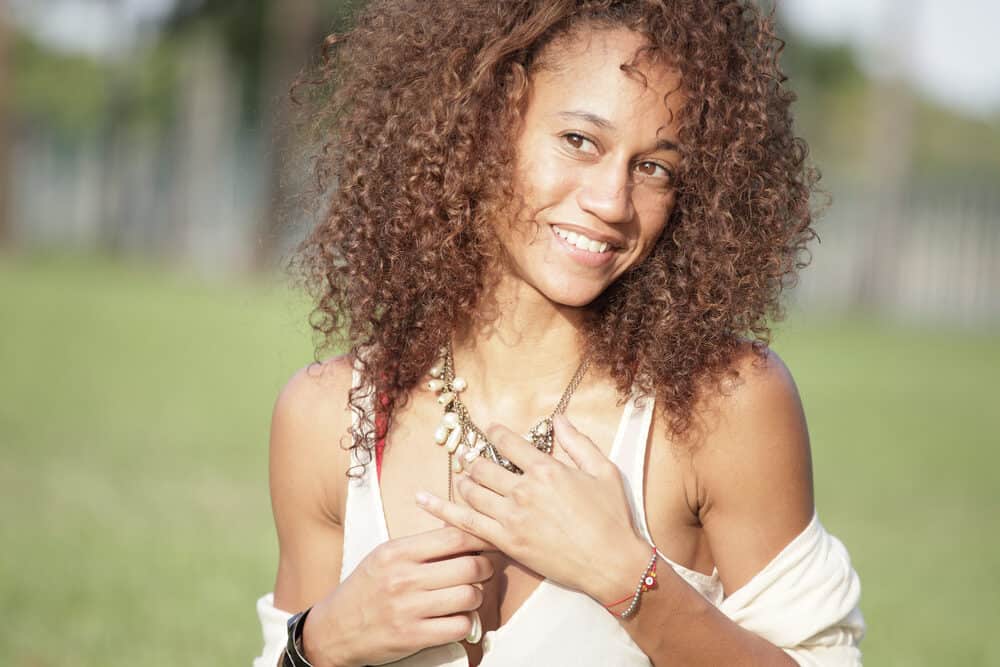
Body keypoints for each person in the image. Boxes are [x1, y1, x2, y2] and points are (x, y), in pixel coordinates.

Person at [254, 1, 865, 665]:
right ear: (481, 122)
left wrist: (629, 581)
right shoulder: (326, 416)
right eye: (579, 141)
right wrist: (320, 640)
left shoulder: (721, 405)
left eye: (654, 167)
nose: (610, 200)